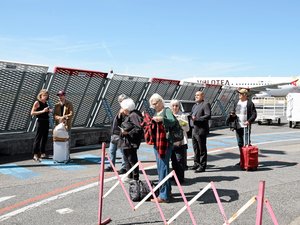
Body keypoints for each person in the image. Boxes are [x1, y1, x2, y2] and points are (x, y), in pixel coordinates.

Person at [148, 93, 176, 203]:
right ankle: (167, 192)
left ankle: (163, 195)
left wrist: (162, 119)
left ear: (160, 101)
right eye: (152, 104)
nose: (153, 106)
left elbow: (172, 121)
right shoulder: (157, 112)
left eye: (155, 103)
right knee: (163, 168)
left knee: (162, 168)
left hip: (164, 143)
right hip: (159, 142)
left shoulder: (166, 110)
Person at [227, 88, 257, 165]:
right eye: (239, 93)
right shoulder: (236, 102)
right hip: (237, 125)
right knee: (240, 143)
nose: (239, 95)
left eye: (240, 93)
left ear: (245, 95)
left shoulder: (249, 103)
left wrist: (249, 121)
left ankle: (248, 160)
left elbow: (254, 114)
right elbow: (233, 111)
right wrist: (232, 115)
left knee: (246, 143)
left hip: (246, 126)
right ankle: (242, 160)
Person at [119, 98, 143, 181]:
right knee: (127, 159)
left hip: (131, 142)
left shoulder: (134, 115)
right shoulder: (132, 114)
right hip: (128, 142)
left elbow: (138, 128)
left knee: (131, 159)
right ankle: (130, 176)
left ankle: (135, 177)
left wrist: (127, 133)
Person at [105, 94, 128, 174]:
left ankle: (124, 167)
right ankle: (111, 166)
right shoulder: (120, 110)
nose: (120, 102)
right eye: (120, 101)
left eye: (122, 101)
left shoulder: (126, 110)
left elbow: (125, 122)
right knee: (111, 150)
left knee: (122, 151)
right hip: (114, 133)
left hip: (120, 134)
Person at [190, 91, 211, 173]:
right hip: (194, 129)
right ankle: (196, 163)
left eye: (198, 95)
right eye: (195, 95)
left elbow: (208, 115)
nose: (196, 96)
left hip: (201, 130)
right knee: (195, 148)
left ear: (202, 96)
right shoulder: (195, 105)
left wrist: (197, 119)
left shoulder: (205, 104)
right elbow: (192, 114)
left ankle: (202, 165)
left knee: (202, 148)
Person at [170, 99, 189, 183]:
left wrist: (180, 124)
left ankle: (181, 178)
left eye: (176, 106)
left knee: (180, 160)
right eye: (173, 106)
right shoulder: (169, 115)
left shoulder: (183, 116)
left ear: (179, 106)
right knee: (173, 160)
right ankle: (175, 176)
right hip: (171, 141)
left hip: (181, 141)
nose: (175, 107)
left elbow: (187, 129)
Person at [31, 89, 52, 161]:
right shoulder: (37, 102)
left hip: (46, 121)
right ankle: (35, 154)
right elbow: (32, 113)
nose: (45, 97)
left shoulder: (46, 103)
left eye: (46, 95)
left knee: (45, 138)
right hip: (40, 122)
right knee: (38, 138)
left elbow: (45, 113)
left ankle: (43, 153)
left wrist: (48, 111)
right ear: (40, 95)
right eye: (44, 95)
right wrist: (43, 111)